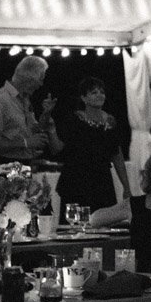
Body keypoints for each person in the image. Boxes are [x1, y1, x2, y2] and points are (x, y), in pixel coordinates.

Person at [57, 77, 132, 213]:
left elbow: (117, 155)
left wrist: (126, 187)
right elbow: (62, 148)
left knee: (103, 221)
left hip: (102, 181)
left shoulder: (110, 122)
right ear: (84, 98)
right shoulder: (75, 120)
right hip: (77, 179)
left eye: (102, 92)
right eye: (94, 92)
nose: (99, 95)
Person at [0, 56, 56, 163]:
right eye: (40, 79)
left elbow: (33, 132)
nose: (41, 84)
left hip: (22, 164)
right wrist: (25, 143)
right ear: (29, 78)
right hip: (5, 167)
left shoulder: (24, 99)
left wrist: (46, 114)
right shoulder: (0, 99)